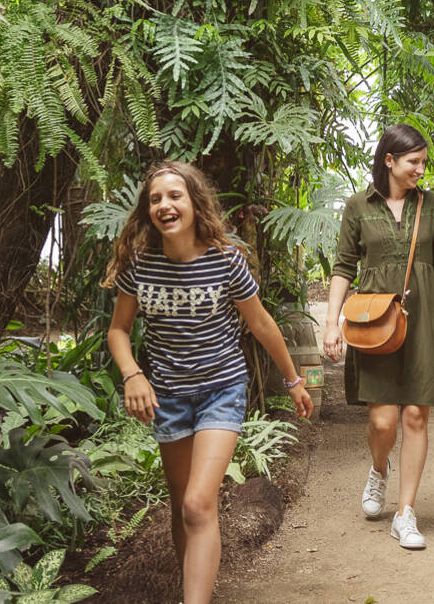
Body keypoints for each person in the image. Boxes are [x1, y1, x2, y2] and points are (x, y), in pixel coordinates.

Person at [103, 161, 315, 604]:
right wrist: (132, 374)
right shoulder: (140, 266)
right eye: (156, 198)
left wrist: (293, 379)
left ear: (195, 204)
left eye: (175, 195)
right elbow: (118, 330)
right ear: (148, 210)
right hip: (169, 397)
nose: (165, 205)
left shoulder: (225, 260)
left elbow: (260, 322)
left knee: (200, 504)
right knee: (185, 508)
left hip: (222, 390)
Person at [321, 124, 434, 550]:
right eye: (413, 161)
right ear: (389, 161)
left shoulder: (431, 206)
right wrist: (331, 324)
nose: (421, 168)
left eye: (423, 161)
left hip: (424, 322)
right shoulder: (358, 206)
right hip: (377, 321)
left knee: (416, 415)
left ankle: (405, 513)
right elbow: (344, 266)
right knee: (383, 421)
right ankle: (379, 469)